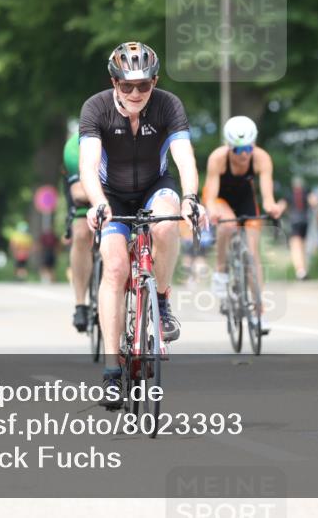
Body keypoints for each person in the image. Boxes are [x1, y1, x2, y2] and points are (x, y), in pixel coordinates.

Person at [79, 41, 205, 409]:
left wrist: (191, 197)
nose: (136, 93)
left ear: (155, 81)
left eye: (144, 85)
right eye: (127, 85)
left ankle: (161, 301)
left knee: (167, 225)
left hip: (155, 186)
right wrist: (98, 204)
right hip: (111, 196)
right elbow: (88, 166)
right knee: (115, 268)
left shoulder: (169, 105)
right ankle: (111, 373)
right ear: (113, 82)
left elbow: (184, 158)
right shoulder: (95, 108)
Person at [203, 116, 284, 331]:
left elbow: (266, 194)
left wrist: (272, 206)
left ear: (254, 144)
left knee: (252, 254)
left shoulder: (262, 158)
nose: (244, 154)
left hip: (246, 199)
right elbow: (210, 193)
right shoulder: (218, 158)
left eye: (248, 148)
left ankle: (259, 313)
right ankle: (220, 272)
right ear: (229, 146)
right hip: (221, 199)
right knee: (228, 225)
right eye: (238, 150)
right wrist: (211, 210)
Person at [63, 129, 95, 331]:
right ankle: (80, 303)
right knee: (82, 233)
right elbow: (78, 193)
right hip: (84, 194)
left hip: (118, 192)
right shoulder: (75, 146)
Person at [286, 176, 313, 280]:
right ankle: (304, 270)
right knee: (303, 246)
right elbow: (314, 202)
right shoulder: (306, 192)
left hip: (294, 222)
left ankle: (300, 271)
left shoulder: (289, 194)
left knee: (295, 247)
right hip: (305, 222)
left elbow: (281, 206)